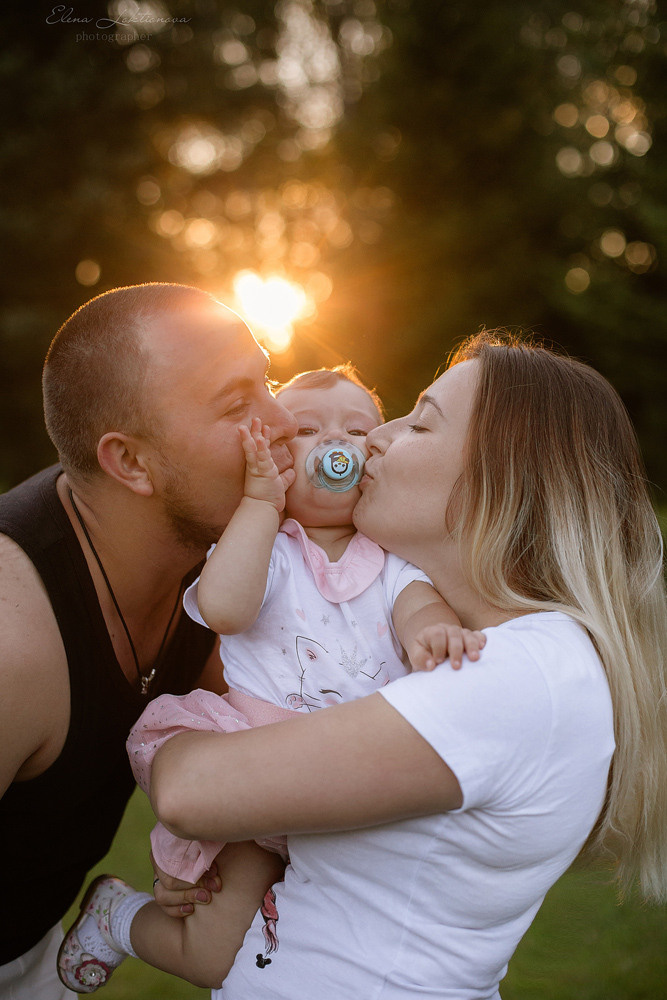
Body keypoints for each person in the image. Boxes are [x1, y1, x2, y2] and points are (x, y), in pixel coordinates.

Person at [148, 329, 666, 998]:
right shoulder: (495, 658)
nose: (373, 439)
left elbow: (191, 792)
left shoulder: (511, 676)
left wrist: (179, 743)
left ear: (499, 481)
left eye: (420, 422)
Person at [57, 366, 486, 992]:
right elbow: (227, 609)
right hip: (255, 772)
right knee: (211, 955)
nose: (335, 443)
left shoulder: (394, 560)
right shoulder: (269, 544)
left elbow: (417, 604)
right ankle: (119, 917)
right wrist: (260, 504)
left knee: (322, 939)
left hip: (351, 787)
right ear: (275, 458)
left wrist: (433, 632)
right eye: (307, 429)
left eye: (358, 429)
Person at [0, 282, 298, 999]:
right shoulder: (12, 640)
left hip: (35, 953)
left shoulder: (231, 563)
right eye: (237, 404)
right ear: (130, 462)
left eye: (270, 382)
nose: (282, 421)